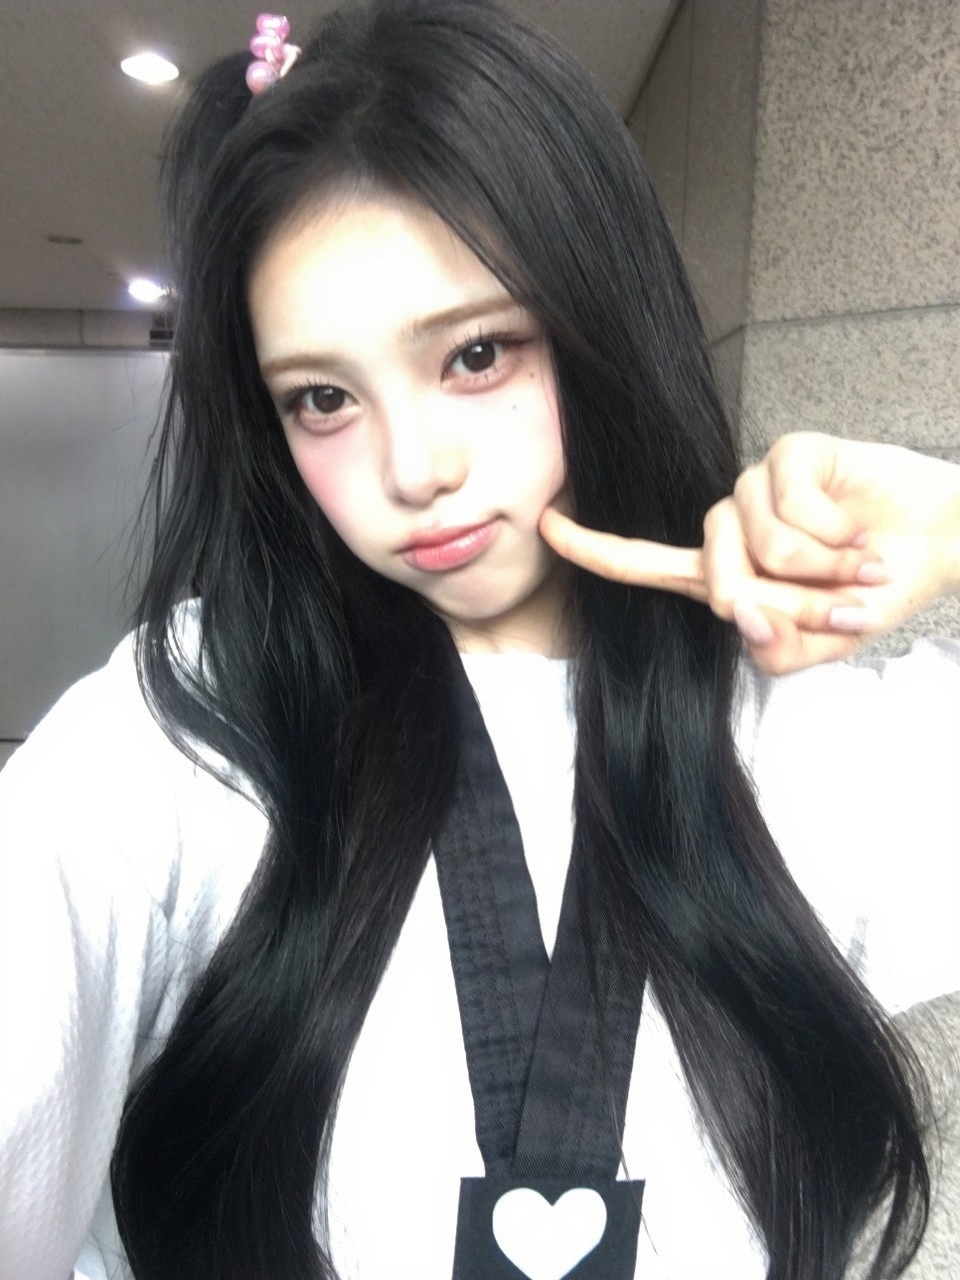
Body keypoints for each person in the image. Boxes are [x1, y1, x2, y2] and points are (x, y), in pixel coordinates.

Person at [1, 2, 958, 1278]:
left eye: (476, 352)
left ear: (602, 320)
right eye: (322, 397)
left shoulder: (794, 730)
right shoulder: (198, 723)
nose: (412, 468)